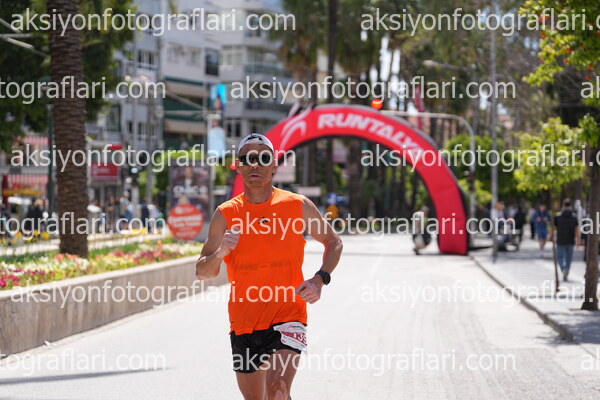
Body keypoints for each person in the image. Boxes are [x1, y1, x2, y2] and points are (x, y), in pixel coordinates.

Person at [195, 133, 343, 400]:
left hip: (289, 316)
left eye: (264, 158)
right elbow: (203, 272)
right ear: (238, 165)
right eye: (249, 158)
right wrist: (221, 253)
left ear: (274, 165)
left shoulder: (297, 205)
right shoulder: (225, 213)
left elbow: (333, 242)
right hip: (244, 322)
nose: (256, 164)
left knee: (277, 391)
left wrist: (319, 279)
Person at [553, 199, 580, 281]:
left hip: (560, 240)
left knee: (559, 257)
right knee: (569, 258)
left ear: (563, 206)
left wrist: (551, 236)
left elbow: (553, 227)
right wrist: (578, 240)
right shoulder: (574, 216)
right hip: (570, 240)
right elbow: (576, 229)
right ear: (570, 206)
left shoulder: (558, 216)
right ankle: (567, 270)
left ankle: (563, 268)